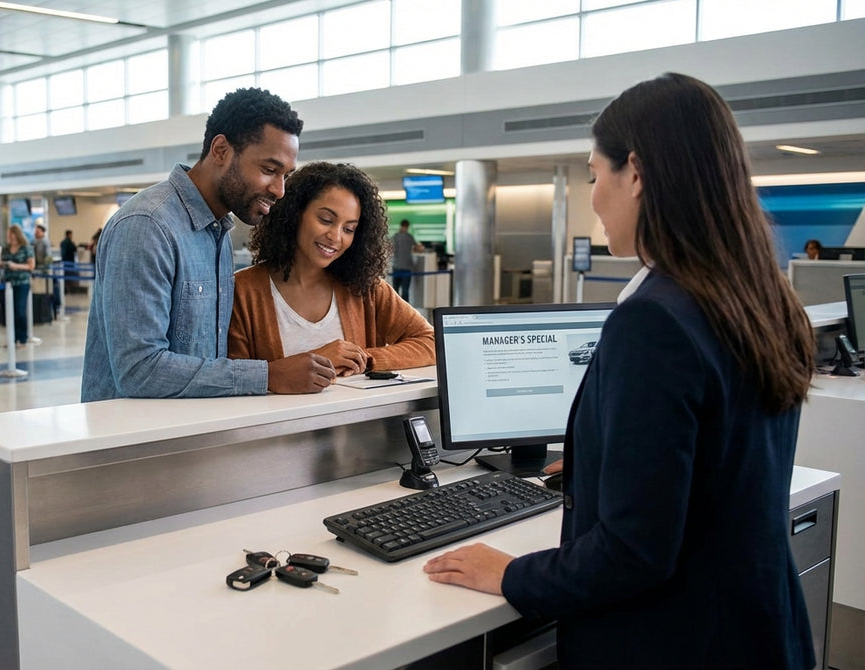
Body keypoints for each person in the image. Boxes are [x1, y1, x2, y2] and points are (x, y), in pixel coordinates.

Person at [421, 73, 817, 669]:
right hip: (755, 628)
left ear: (635, 172)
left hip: (672, 644)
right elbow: (717, 460)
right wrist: (601, 463)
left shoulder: (653, 322)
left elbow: (634, 551)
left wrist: (510, 573)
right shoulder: (764, 301)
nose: (594, 196)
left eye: (593, 175)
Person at [81, 87, 335, 401]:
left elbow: (206, 361)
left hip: (190, 436)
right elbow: (138, 371)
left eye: (285, 174)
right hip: (136, 443)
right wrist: (269, 375)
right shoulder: (147, 225)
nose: (280, 190)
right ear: (220, 150)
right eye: (269, 170)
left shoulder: (217, 232)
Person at [229, 162, 434, 375]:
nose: (336, 237)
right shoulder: (243, 291)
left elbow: (430, 341)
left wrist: (362, 359)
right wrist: (317, 360)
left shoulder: (365, 288)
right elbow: (236, 377)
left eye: (349, 229)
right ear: (295, 213)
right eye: (326, 220)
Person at [0, 225, 35, 346]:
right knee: (9, 311)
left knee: (20, 310)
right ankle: (12, 338)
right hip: (8, 284)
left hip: (22, 283)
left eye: (11, 233)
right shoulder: (5, 248)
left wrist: (16, 266)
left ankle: (22, 337)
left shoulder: (26, 248)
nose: (9, 236)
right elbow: (1, 264)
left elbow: (31, 266)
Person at [390, 219, 423, 302]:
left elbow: (390, 249)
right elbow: (418, 248)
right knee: (405, 291)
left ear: (401, 226)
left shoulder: (395, 237)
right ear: (407, 227)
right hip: (406, 267)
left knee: (395, 291)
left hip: (396, 266)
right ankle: (404, 310)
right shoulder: (409, 237)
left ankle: (395, 309)